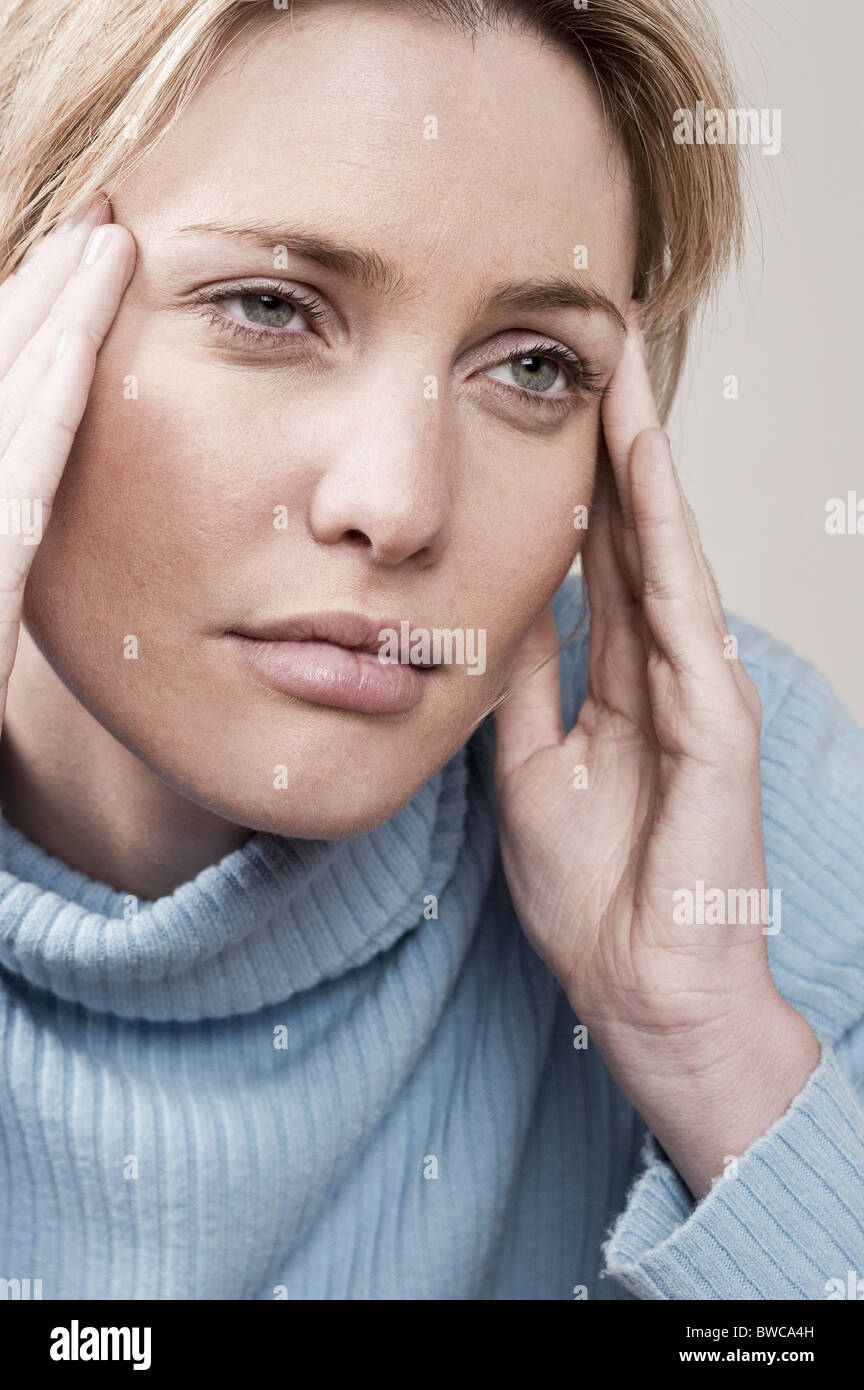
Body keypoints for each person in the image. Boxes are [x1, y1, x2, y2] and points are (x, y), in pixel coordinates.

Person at [0, 0, 861, 1301]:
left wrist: (717, 1058)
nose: (401, 505)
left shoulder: (753, 822)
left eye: (532, 366)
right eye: (271, 306)